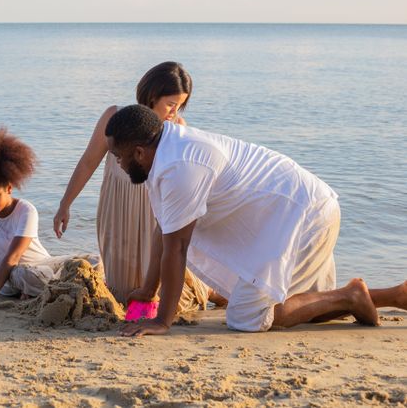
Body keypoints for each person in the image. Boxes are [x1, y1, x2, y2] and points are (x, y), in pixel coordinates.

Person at [104, 105, 407, 336]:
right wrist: (147, 291)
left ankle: (352, 295)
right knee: (297, 303)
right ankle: (392, 295)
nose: (118, 163)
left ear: (140, 152)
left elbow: (177, 248)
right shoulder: (169, 150)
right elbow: (164, 229)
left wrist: (162, 321)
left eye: (119, 156)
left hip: (306, 216)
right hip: (286, 217)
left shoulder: (180, 166)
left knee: (250, 317)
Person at [53, 62, 224, 310]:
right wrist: (64, 204)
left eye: (180, 104)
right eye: (170, 103)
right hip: (117, 206)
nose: (174, 110)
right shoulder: (114, 117)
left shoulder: (175, 127)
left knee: (152, 285)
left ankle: (205, 289)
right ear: (151, 95)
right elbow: (88, 161)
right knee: (120, 292)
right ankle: (204, 290)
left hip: (153, 211)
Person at [0, 128, 98, 307]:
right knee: (25, 274)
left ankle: (49, 290)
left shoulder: (26, 210)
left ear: (9, 189)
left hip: (43, 265)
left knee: (94, 261)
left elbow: (15, 254)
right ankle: (61, 289)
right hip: (9, 277)